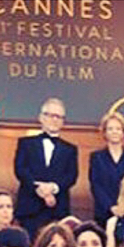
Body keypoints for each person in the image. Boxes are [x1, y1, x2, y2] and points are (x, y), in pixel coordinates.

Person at [13, 97, 78, 235]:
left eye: (59, 117)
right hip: (29, 209)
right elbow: (20, 170)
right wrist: (39, 188)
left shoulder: (70, 149)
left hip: (57, 210)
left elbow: (71, 176)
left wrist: (53, 188)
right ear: (41, 117)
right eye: (50, 115)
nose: (54, 119)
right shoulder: (25, 143)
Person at [88, 110, 124, 227]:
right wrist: (111, 207)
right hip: (104, 214)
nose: (114, 132)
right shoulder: (96, 157)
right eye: (110, 129)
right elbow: (96, 185)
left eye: (118, 129)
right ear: (104, 132)